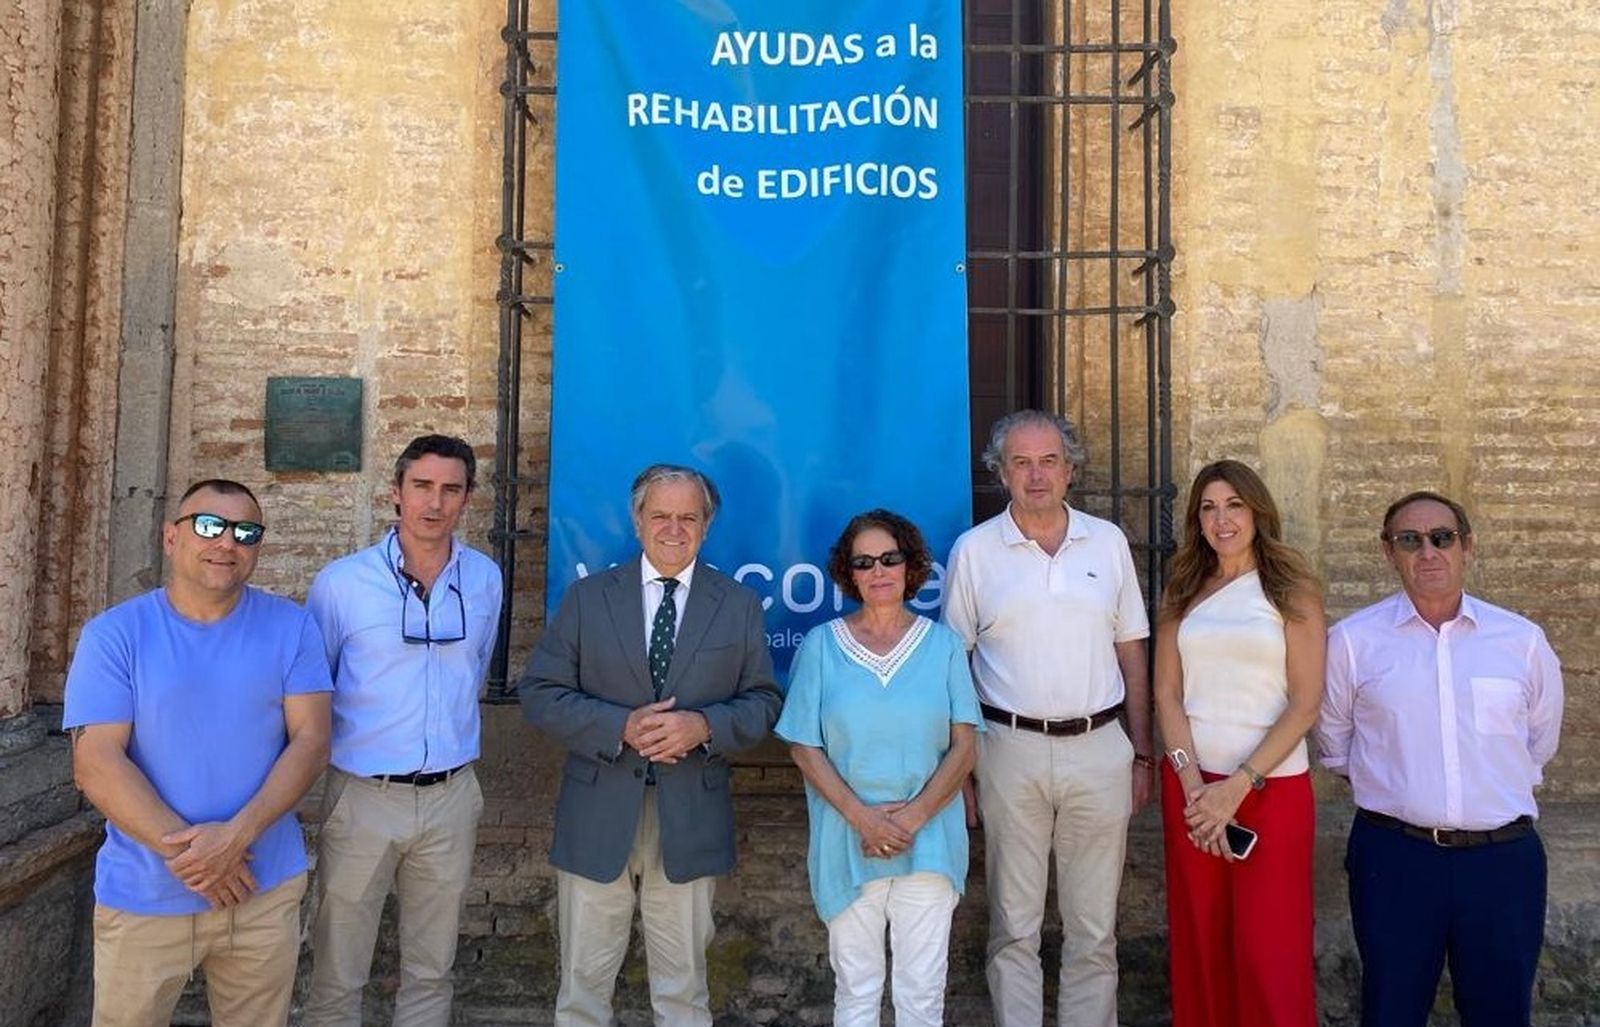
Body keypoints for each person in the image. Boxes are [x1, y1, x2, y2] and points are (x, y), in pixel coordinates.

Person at [519, 463, 782, 1027]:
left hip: (689, 817)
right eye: (660, 516)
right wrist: (618, 726)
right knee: (582, 989)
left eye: (689, 518)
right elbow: (540, 693)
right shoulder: (588, 598)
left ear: (706, 526)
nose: (674, 529)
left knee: (683, 991)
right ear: (637, 521)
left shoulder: (737, 604)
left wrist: (703, 726)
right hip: (597, 812)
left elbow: (763, 701)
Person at [64, 479, 333, 1027]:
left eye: (246, 532)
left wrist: (235, 838)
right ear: (171, 537)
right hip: (145, 893)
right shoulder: (114, 635)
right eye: (210, 526)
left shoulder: (292, 627)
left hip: (260, 889)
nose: (227, 542)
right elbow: (96, 764)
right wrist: (202, 862)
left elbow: (312, 741)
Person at [1316, 490, 1563, 1027]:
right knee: (1391, 1011)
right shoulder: (1353, 643)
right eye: (1410, 540)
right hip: (1395, 858)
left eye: (1442, 538)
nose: (1428, 552)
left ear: (1467, 547)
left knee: (1501, 1014)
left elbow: (1539, 742)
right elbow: (1335, 743)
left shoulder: (1521, 641)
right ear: (1389, 552)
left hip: (1502, 863)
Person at [942, 409, 1154, 1027]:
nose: (1036, 476)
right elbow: (952, 667)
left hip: (1100, 747)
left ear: (1070, 469)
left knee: (1095, 927)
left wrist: (1142, 753)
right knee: (1014, 925)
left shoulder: (1107, 542)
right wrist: (959, 771)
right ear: (1000, 472)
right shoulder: (975, 551)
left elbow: (1132, 651)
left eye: (1049, 461)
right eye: (1021, 463)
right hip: (1008, 749)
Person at [303, 434, 504, 1027]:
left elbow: (476, 668)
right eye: (421, 486)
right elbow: (315, 688)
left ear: (467, 498)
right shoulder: (342, 584)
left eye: (450, 489)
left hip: (451, 797)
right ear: (395, 492)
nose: (434, 503)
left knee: (432, 969)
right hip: (364, 796)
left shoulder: (486, 579)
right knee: (337, 970)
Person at [775, 509, 982, 1027]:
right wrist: (865, 820)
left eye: (890, 558)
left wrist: (909, 820)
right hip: (848, 839)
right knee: (856, 990)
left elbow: (965, 747)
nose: (878, 571)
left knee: (921, 995)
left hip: (928, 841)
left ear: (910, 565)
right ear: (849, 573)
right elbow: (803, 746)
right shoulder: (821, 646)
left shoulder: (943, 646)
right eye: (863, 562)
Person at [1152, 460, 1323, 1027]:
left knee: (1268, 949)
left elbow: (1305, 702)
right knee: (1202, 939)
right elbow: (1167, 695)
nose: (1221, 519)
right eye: (1208, 508)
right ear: (1196, 520)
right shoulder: (1182, 590)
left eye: (1234, 505)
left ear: (1257, 512)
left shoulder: (1291, 590)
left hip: (1271, 792)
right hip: (1193, 795)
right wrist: (1195, 788)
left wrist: (1237, 787)